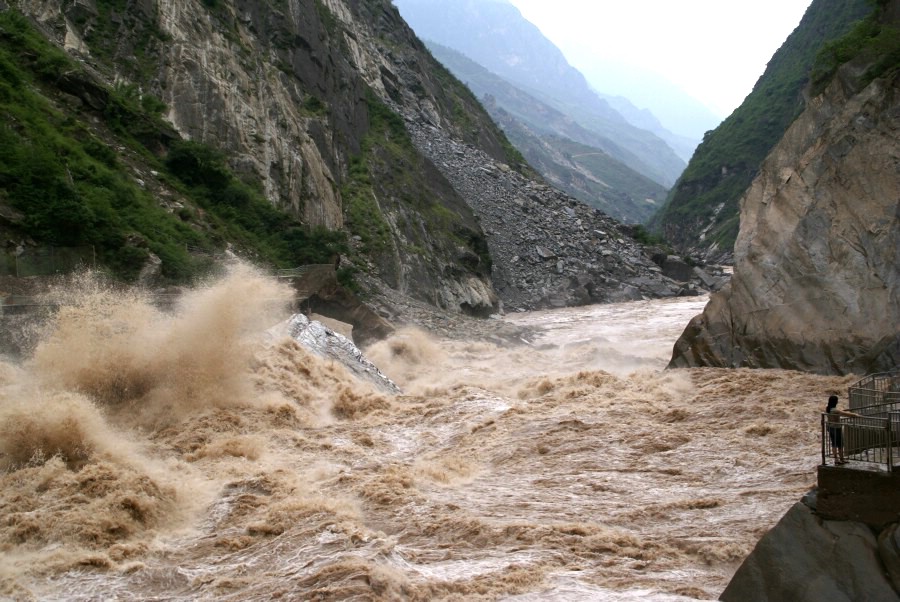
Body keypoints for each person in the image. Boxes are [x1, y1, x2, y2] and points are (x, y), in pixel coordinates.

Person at [825, 394, 861, 465]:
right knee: (840, 444)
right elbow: (846, 414)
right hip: (837, 428)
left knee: (834, 444)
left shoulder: (827, 409)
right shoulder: (835, 411)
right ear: (836, 402)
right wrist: (856, 415)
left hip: (830, 428)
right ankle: (841, 459)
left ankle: (836, 459)